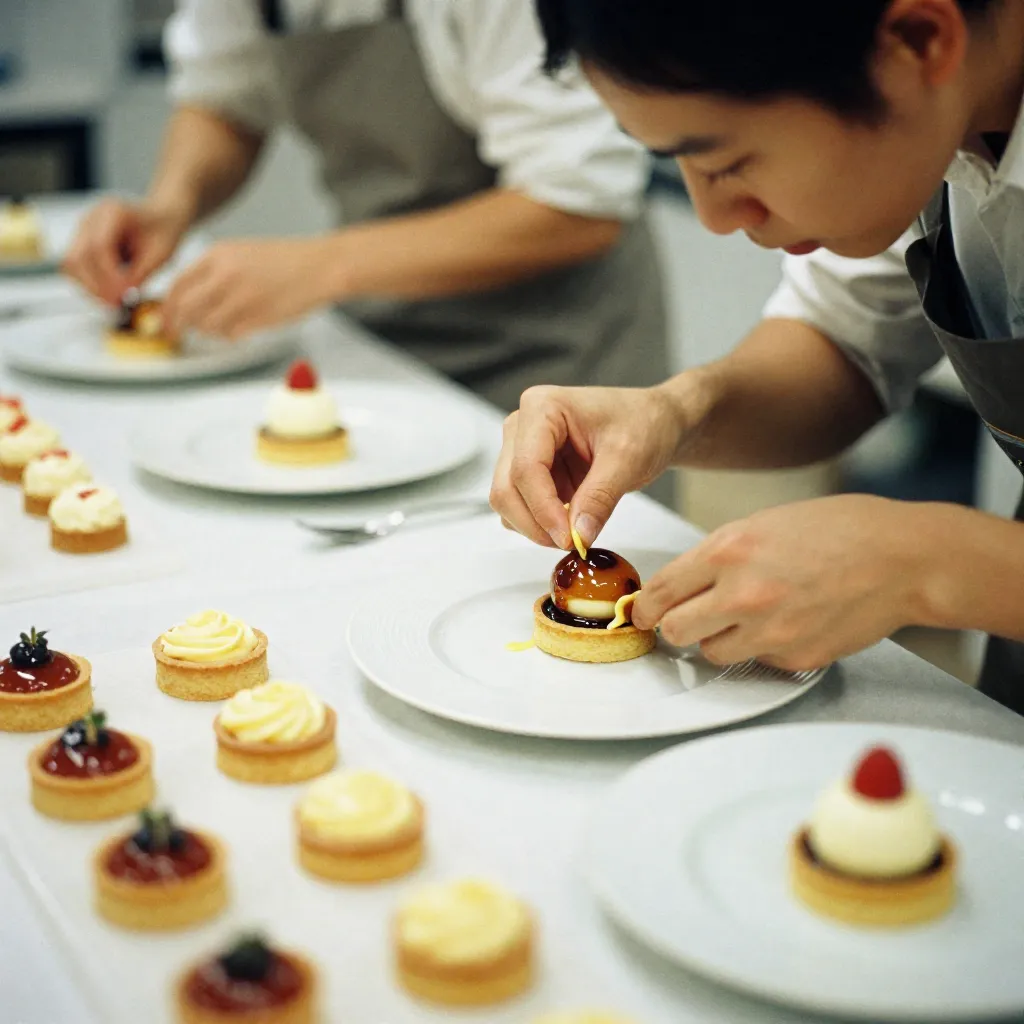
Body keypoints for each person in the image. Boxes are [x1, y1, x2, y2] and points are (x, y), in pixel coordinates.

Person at [491, 0, 1024, 713]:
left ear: (919, 42)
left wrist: (923, 561)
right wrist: (675, 412)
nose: (714, 217)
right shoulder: (931, 122)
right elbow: (843, 340)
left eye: (728, 160)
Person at [63, 0, 668, 413]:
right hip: (386, 334)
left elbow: (579, 202)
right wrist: (172, 204)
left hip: (557, 349)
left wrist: (323, 266)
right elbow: (225, 95)